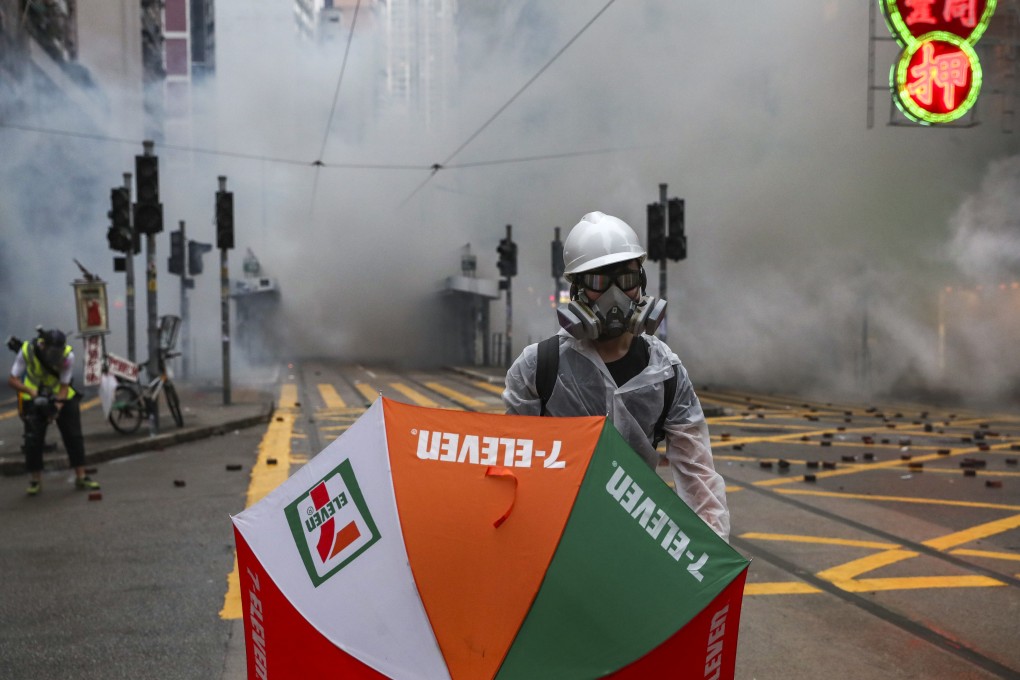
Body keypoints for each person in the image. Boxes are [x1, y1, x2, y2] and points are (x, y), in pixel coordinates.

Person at [503, 211, 729, 541]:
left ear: (642, 282)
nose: (615, 295)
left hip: (636, 538)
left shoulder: (666, 371)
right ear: (577, 288)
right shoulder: (539, 365)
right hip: (558, 537)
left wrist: (711, 556)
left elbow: (699, 478)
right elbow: (511, 466)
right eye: (597, 281)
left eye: (626, 279)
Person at [8, 328, 100, 495]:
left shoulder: (67, 357)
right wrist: (30, 392)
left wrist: (56, 409)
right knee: (33, 439)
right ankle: (35, 480)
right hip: (33, 394)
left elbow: (64, 387)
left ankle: (81, 476)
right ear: (43, 345)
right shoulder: (27, 351)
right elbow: (12, 380)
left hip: (60, 395)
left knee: (73, 436)